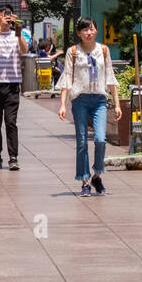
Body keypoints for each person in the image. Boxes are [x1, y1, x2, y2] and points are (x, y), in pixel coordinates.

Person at [57, 17, 120, 196]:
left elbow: (110, 77)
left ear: (96, 30)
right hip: (80, 100)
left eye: (92, 29)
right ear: (79, 33)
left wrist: (116, 104)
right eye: (85, 30)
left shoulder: (104, 50)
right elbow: (67, 78)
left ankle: (97, 175)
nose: (89, 32)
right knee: (82, 142)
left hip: (99, 99)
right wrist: (62, 104)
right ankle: (85, 180)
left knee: (100, 139)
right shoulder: (73, 51)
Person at [0, 6, 29, 170]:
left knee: (11, 122)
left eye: (9, 15)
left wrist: (18, 32)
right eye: (4, 15)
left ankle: (13, 157)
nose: (7, 18)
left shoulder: (17, 34)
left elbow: (25, 50)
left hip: (12, 84)